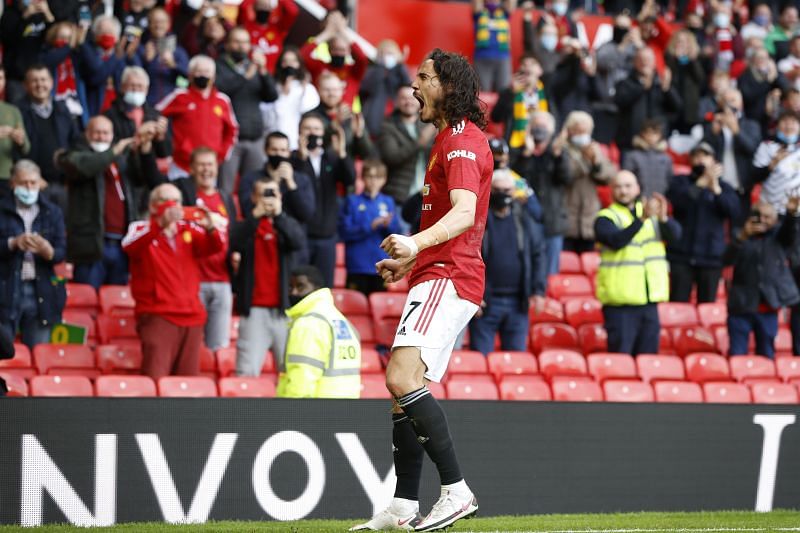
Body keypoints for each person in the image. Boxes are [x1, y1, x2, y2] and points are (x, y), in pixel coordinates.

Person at [351, 48, 490, 533]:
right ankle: (403, 505)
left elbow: (465, 213)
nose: (414, 87)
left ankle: (455, 490)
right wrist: (409, 258)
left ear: (448, 87)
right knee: (403, 393)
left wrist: (414, 241)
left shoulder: (460, 142)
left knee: (400, 377)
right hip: (435, 270)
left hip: (449, 275)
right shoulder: (450, 140)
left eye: (423, 78)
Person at [122, 183, 224, 379]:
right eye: (164, 200)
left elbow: (215, 247)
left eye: (176, 201)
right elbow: (129, 246)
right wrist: (159, 225)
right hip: (158, 315)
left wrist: (210, 226)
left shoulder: (189, 230)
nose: (171, 205)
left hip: (192, 316)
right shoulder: (141, 228)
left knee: (187, 384)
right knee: (156, 379)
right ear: (152, 206)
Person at [57, 115, 162, 289]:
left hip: (122, 244)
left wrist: (143, 148)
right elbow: (87, 166)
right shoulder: (73, 156)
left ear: (112, 135)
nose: (101, 137)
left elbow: (146, 179)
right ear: (87, 134)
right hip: (92, 246)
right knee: (87, 301)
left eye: (105, 133)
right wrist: (115, 150)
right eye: (97, 132)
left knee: (117, 299)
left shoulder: (121, 160)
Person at [594, 170, 681, 356]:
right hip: (620, 303)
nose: (623, 191)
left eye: (628, 186)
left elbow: (676, 237)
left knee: (648, 359)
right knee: (621, 360)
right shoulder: (606, 217)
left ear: (638, 188)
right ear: (611, 190)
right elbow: (616, 241)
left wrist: (664, 218)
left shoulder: (653, 216)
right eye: (618, 187)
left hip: (648, 301)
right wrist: (641, 220)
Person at [231, 176, 306, 376]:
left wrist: (279, 216)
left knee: (290, 374)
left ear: (280, 196)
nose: (268, 198)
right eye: (263, 193)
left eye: (273, 192)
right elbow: (232, 243)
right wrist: (254, 216)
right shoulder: (247, 225)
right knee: (246, 373)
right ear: (254, 197)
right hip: (253, 311)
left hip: (284, 311)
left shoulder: (286, 223)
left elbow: (298, 242)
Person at [469, 166, 546, 355]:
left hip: (518, 303)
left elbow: (538, 254)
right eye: (497, 190)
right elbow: (468, 258)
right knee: (481, 360)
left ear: (514, 192)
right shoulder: (478, 220)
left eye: (507, 191)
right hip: (486, 302)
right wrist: (472, 295)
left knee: (517, 362)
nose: (503, 194)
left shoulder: (524, 219)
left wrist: (538, 290)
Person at [0, 160, 66, 350]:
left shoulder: (52, 212)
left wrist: (48, 251)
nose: (29, 188)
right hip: (6, 289)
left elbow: (61, 252)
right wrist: (12, 243)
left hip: (41, 290)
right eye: (23, 183)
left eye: (33, 183)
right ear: (13, 184)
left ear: (41, 184)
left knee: (39, 352)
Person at [176, 147, 237, 351]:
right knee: (191, 345)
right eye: (201, 165)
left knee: (219, 347)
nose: (206, 170)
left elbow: (233, 234)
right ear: (191, 168)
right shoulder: (184, 196)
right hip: (194, 281)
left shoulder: (226, 199)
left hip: (222, 282)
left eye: (210, 164)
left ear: (217, 167)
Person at [725, 199, 800, 358]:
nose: (763, 220)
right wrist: (742, 237)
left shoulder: (778, 238)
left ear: (775, 219)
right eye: (759, 216)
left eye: (768, 217)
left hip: (768, 308)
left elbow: (789, 231)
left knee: (766, 355)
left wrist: (791, 214)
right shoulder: (740, 235)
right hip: (741, 307)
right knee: (737, 356)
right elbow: (726, 260)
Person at [666, 142, 740, 303]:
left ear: (714, 161)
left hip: (711, 257)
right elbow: (678, 203)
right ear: (690, 160)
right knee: (678, 307)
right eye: (697, 156)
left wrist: (716, 190)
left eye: (705, 156)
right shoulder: (680, 182)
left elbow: (733, 212)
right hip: (681, 255)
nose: (701, 160)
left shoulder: (725, 187)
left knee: (707, 307)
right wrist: (700, 184)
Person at [276, 265, 361, 398]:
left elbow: (302, 378)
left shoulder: (308, 323)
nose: (293, 293)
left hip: (316, 411)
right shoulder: (340, 319)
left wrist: (289, 413)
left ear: (316, 289)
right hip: (346, 409)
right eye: (290, 287)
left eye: (300, 286)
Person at [291, 112, 355, 287]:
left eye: (317, 129)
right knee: (299, 286)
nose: (312, 132)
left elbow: (350, 179)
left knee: (324, 288)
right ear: (299, 132)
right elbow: (296, 188)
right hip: (302, 235)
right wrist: (302, 159)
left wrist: (342, 152)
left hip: (327, 235)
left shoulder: (331, 157)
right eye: (307, 129)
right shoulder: (292, 159)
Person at [215, 26, 278, 196]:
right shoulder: (218, 65)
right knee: (225, 190)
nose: (241, 46)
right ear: (227, 44)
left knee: (254, 189)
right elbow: (222, 90)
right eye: (236, 42)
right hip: (230, 139)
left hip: (255, 138)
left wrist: (264, 71)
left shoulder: (255, 67)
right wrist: (245, 77)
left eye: (245, 43)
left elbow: (271, 96)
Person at [156, 54, 239, 181]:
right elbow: (156, 113)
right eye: (199, 71)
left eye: (207, 72)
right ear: (190, 75)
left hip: (209, 168)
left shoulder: (222, 100)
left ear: (214, 76)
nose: (203, 75)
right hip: (181, 165)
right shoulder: (180, 96)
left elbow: (232, 130)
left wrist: (222, 154)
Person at [511, 110, 573, 275]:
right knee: (526, 269)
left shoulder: (557, 152)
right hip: (524, 221)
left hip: (552, 222)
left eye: (543, 126)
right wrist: (527, 154)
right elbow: (515, 178)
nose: (539, 130)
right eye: (536, 125)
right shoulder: (519, 152)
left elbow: (566, 178)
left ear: (551, 130)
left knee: (550, 274)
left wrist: (558, 155)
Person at [16, 65, 81, 211]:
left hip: (63, 184)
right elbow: (15, 151)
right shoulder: (18, 111)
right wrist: (32, 177)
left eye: (43, 80)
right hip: (30, 186)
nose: (40, 85)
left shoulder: (63, 109)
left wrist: (71, 174)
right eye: (34, 81)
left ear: (51, 82)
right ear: (25, 85)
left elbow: (75, 142)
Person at [339, 160, 401, 296]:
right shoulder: (352, 201)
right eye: (369, 176)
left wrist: (388, 225)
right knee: (355, 308)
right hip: (357, 265)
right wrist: (370, 226)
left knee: (379, 307)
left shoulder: (388, 201)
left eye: (378, 177)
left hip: (381, 265)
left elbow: (397, 233)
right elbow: (344, 232)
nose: (373, 181)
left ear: (384, 180)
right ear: (362, 178)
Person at [701, 87, 761, 226]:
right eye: (726, 101)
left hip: (742, 189)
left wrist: (737, 131)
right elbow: (703, 152)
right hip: (719, 187)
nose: (729, 104)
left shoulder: (751, 125)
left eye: (733, 100)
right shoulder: (714, 124)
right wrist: (713, 132)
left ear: (741, 103)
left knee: (739, 228)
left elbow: (753, 149)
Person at [560, 111, 616, 254]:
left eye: (585, 131)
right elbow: (565, 175)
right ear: (569, 131)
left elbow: (609, 176)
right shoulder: (561, 150)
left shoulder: (596, 149)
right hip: (567, 216)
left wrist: (596, 162)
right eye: (578, 131)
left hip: (589, 217)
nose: (582, 135)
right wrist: (585, 161)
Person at [377, 85, 436, 209]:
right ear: (396, 102)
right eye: (403, 98)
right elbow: (392, 157)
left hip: (426, 196)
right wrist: (420, 141)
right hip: (399, 197)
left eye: (412, 98)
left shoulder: (428, 124)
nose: (408, 102)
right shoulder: (387, 127)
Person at [614, 47, 681, 152]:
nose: (644, 62)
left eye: (648, 59)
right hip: (631, 142)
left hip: (657, 143)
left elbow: (677, 107)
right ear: (634, 62)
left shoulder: (662, 83)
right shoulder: (625, 83)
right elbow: (620, 102)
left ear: (654, 63)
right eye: (641, 59)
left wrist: (667, 89)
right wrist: (641, 87)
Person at [103, 66, 172, 163]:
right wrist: (140, 136)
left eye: (140, 86)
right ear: (122, 87)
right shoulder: (109, 115)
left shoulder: (156, 115)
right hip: (123, 168)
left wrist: (161, 137)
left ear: (147, 89)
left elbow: (165, 153)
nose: (135, 89)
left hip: (148, 168)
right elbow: (109, 148)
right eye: (132, 85)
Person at [301, 10, 369, 106]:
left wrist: (342, 30)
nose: (338, 53)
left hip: (345, 116)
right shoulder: (319, 67)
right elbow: (302, 56)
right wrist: (328, 32)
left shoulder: (353, 71)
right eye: (335, 49)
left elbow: (362, 58)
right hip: (320, 114)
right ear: (329, 50)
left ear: (348, 51)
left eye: (342, 50)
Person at [261, 46, 320, 151]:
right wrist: (283, 93)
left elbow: (307, 112)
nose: (289, 65)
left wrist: (303, 89)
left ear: (299, 64)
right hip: (272, 142)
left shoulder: (307, 88)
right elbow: (265, 115)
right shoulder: (272, 86)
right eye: (285, 61)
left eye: (293, 61)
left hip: (294, 143)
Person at [359, 39, 412, 137]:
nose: (387, 57)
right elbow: (367, 88)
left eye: (391, 53)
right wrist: (380, 67)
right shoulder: (371, 71)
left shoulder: (400, 70)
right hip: (373, 120)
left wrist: (400, 65)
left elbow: (408, 85)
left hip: (396, 121)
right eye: (384, 54)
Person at [471, 0, 515, 93]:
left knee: (504, 91)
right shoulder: (479, 12)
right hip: (482, 58)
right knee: (482, 92)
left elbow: (511, 3)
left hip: (503, 58)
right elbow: (476, 3)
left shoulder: (504, 13)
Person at [621, 119, 673, 197]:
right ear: (642, 134)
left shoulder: (666, 158)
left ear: (660, 135)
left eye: (655, 133)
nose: (651, 136)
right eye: (648, 133)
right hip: (638, 199)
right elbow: (626, 179)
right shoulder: (632, 156)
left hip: (660, 200)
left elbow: (670, 180)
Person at [0, 67, 30, 187]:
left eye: (1, 78)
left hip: (6, 177)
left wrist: (20, 140)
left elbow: (26, 149)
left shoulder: (12, 111)